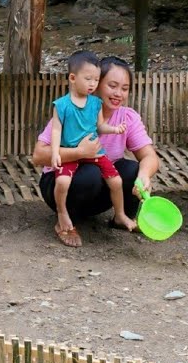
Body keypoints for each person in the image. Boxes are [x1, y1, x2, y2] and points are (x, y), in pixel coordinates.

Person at [33, 56, 161, 247]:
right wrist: (79, 152)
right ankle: (65, 221)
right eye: (112, 85)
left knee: (132, 170)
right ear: (97, 83)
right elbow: (38, 156)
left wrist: (144, 175)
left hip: (98, 189)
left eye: (124, 88)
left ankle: (120, 218)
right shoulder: (72, 109)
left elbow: (150, 156)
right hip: (59, 186)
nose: (118, 93)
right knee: (91, 174)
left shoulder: (127, 117)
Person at [46, 50, 134, 245]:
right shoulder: (61, 106)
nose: (92, 84)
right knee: (62, 182)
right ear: (72, 78)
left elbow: (100, 126)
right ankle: (62, 215)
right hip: (70, 154)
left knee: (117, 181)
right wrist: (55, 153)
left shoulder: (95, 103)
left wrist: (114, 129)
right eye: (89, 79)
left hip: (95, 153)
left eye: (95, 80)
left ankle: (119, 215)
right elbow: (55, 133)